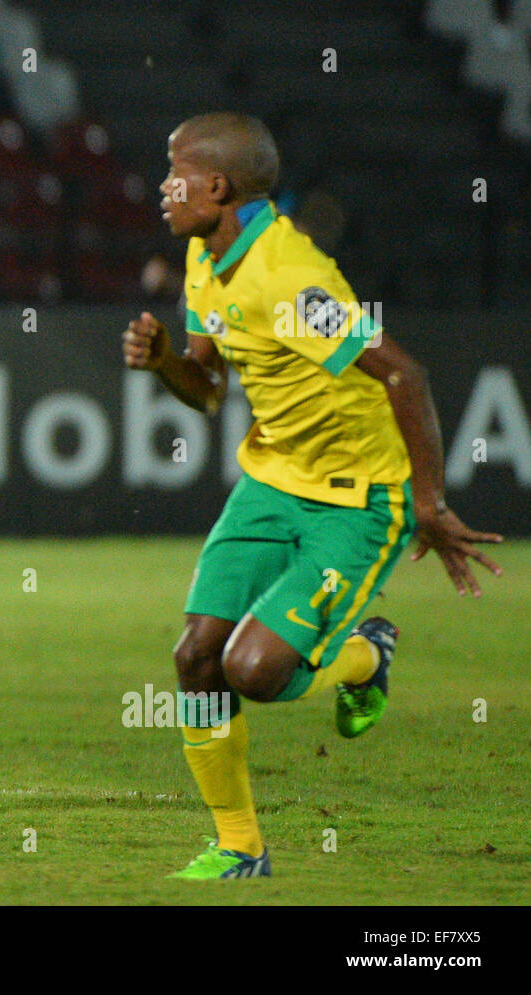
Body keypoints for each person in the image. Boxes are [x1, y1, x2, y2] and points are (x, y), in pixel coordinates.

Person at [123, 112, 503, 878]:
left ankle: (366, 655)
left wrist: (426, 502)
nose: (163, 190)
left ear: (218, 185)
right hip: (272, 480)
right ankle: (240, 849)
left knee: (254, 670)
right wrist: (167, 362)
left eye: (176, 176)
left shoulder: (290, 278)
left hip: (359, 496)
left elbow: (405, 374)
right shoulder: (204, 255)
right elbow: (206, 389)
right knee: (197, 654)